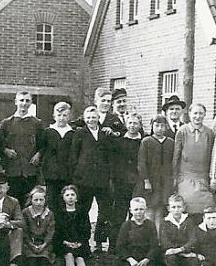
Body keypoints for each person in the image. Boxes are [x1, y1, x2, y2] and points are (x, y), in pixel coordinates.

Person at [71, 105, 115, 252]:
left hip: (102, 179)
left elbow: (109, 156)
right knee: (83, 209)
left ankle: (99, 241)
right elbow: (74, 156)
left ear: (98, 118)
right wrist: (76, 175)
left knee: (104, 210)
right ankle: (83, 240)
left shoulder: (104, 133)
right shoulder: (80, 133)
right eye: (88, 117)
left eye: (94, 117)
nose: (91, 120)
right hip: (84, 179)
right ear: (84, 119)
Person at [172, 102, 216, 223]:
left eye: (201, 113)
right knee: (187, 209)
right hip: (185, 177)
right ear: (189, 114)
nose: (197, 116)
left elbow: (213, 157)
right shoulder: (182, 131)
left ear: (205, 115)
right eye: (195, 113)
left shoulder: (209, 133)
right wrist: (175, 177)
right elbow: (176, 156)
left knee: (205, 209)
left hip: (203, 178)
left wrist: (212, 178)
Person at [0, 91, 44, 203]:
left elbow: (43, 144)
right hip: (12, 171)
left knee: (30, 202)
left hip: (30, 170)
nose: (24, 103)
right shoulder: (6, 123)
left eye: (27, 101)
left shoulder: (37, 123)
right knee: (12, 202)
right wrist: (5, 150)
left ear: (31, 103)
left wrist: (38, 154)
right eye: (21, 100)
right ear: (16, 102)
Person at [135, 115, 175, 231]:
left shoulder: (170, 142)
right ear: (152, 126)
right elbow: (141, 163)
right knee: (150, 210)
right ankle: (147, 237)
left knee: (160, 211)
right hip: (151, 181)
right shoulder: (146, 141)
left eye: (162, 125)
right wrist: (146, 181)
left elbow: (172, 162)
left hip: (165, 182)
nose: (160, 128)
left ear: (166, 127)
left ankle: (158, 239)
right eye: (157, 125)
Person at [109, 113, 144, 244]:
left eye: (135, 123)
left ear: (140, 125)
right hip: (121, 182)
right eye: (130, 123)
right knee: (118, 213)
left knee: (135, 214)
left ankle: (133, 243)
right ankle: (115, 244)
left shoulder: (143, 142)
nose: (132, 126)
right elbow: (113, 162)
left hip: (137, 183)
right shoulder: (119, 142)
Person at [40, 101, 75, 210]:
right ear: (54, 116)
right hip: (51, 174)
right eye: (59, 115)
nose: (61, 118)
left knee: (65, 200)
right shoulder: (47, 132)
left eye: (65, 115)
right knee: (52, 201)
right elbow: (42, 150)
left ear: (69, 116)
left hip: (67, 174)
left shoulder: (73, 133)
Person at [54, 185, 91, 266]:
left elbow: (86, 229)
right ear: (63, 198)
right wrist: (66, 242)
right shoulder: (59, 213)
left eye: (72, 195)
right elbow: (57, 232)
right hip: (65, 242)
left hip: (79, 242)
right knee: (69, 255)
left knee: (79, 256)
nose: (70, 197)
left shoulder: (82, 212)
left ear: (76, 197)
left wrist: (80, 242)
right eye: (67, 195)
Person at [22, 186, 56, 266]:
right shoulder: (26, 212)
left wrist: (44, 244)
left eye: (41, 200)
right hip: (29, 243)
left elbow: (51, 231)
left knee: (44, 259)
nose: (38, 202)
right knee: (32, 259)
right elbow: (24, 231)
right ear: (31, 200)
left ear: (45, 200)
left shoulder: (49, 214)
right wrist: (30, 244)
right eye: (35, 200)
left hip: (44, 243)